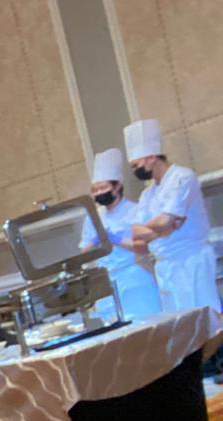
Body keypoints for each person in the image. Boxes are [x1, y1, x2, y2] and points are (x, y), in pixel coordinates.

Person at [124, 118, 221, 319]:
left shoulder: (183, 177)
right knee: (180, 327)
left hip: (191, 260)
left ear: (151, 157)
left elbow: (164, 222)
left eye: (136, 165)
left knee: (207, 321)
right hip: (165, 267)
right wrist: (163, 228)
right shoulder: (147, 194)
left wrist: (159, 226)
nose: (135, 171)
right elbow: (136, 232)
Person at [79, 147, 161, 321]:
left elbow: (144, 247)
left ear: (117, 186)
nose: (99, 193)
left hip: (135, 279)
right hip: (106, 282)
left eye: (103, 188)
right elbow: (83, 254)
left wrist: (116, 239)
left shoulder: (135, 210)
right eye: (95, 190)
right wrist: (95, 242)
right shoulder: (93, 217)